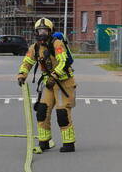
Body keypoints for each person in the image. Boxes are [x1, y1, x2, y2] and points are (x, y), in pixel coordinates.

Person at [16, 17, 77, 153]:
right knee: (42, 111)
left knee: (62, 113)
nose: (42, 33)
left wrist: (55, 75)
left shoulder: (57, 44)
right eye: (39, 31)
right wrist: (22, 75)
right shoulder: (35, 48)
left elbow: (63, 61)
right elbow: (27, 62)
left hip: (63, 83)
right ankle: (44, 141)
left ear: (50, 31)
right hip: (48, 84)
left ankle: (69, 143)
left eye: (45, 30)